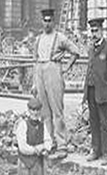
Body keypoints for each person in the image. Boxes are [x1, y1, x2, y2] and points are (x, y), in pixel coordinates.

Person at [32, 8, 80, 155]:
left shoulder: (60, 38)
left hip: (54, 70)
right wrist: (35, 82)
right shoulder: (38, 39)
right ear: (42, 22)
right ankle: (49, 142)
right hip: (40, 70)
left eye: (49, 21)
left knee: (57, 110)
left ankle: (61, 144)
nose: (47, 24)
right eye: (44, 21)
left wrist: (66, 67)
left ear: (53, 22)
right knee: (44, 111)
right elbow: (35, 60)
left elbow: (75, 51)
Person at [84, 17, 107, 164]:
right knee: (93, 121)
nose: (94, 34)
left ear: (101, 31)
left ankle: (106, 153)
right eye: (92, 31)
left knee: (105, 123)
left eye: (96, 31)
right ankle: (96, 150)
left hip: (103, 92)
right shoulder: (91, 49)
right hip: (92, 91)